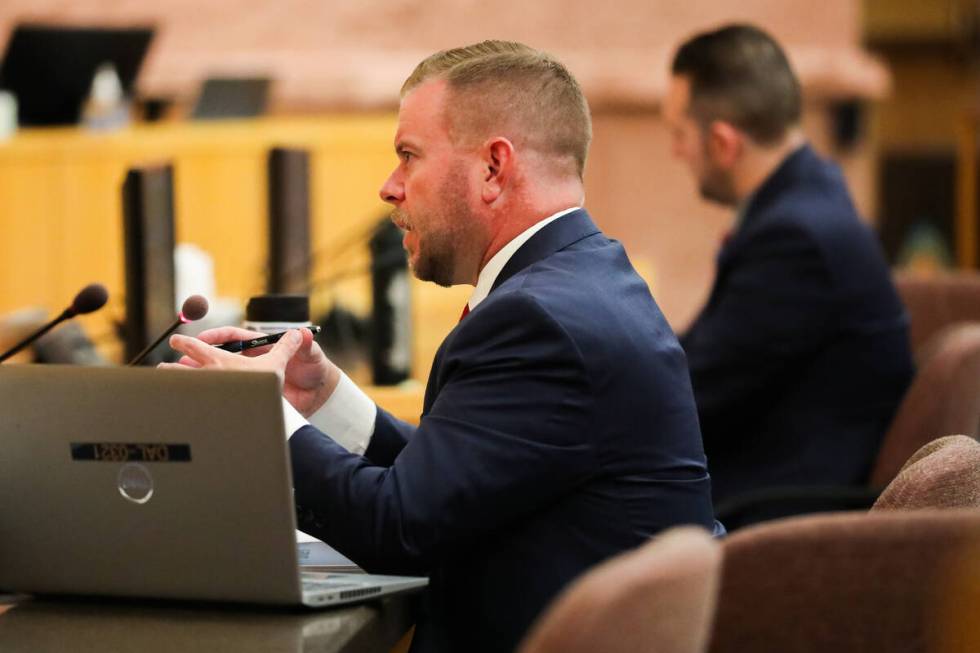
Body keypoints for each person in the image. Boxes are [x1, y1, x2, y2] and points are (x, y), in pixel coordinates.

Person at [166, 40, 721, 653]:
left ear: (493, 168)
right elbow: (458, 478)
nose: (388, 187)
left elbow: (400, 527)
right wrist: (322, 399)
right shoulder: (585, 277)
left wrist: (259, 414)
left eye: (408, 157)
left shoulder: (537, 319)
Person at [662, 24, 915, 508]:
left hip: (769, 508)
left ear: (723, 143)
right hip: (763, 471)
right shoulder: (808, 198)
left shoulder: (796, 240)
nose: (676, 152)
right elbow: (702, 361)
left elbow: (690, 396)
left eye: (679, 134)